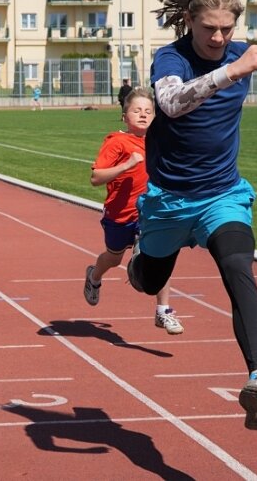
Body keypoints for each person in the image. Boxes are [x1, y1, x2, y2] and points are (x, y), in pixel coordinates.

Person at [129, 0, 257, 430]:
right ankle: (138, 263)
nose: (218, 37)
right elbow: (170, 103)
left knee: (239, 268)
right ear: (189, 21)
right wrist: (231, 71)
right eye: (208, 28)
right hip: (168, 200)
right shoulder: (170, 57)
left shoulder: (242, 54)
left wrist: (239, 62)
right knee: (149, 279)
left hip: (221, 195)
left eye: (227, 29)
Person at [84, 87, 183, 335]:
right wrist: (127, 165)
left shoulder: (160, 141)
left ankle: (164, 310)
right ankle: (94, 276)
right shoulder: (117, 142)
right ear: (124, 116)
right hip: (119, 215)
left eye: (148, 111)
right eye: (136, 110)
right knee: (114, 257)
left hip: (149, 213)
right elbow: (96, 177)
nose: (142, 115)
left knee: (161, 255)